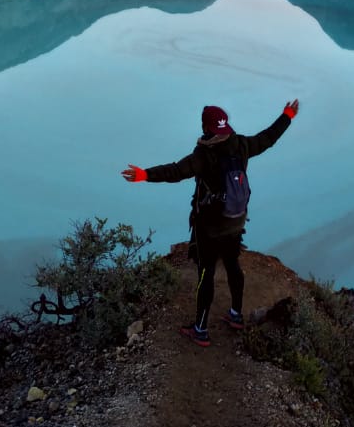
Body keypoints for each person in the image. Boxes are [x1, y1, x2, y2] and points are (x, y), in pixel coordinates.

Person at [121, 99, 299, 347]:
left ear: (206, 128)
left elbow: (176, 171)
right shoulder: (241, 144)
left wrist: (145, 175)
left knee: (206, 273)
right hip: (236, 219)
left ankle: (201, 329)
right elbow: (268, 137)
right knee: (233, 263)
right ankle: (236, 315)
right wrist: (287, 116)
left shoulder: (204, 155)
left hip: (210, 228)